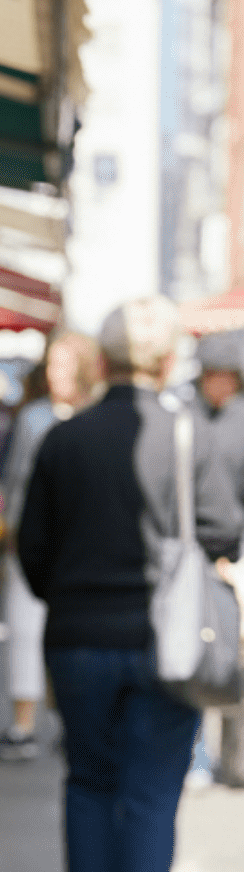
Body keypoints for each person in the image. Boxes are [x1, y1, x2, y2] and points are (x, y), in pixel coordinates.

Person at [18, 296, 241, 872]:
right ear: (169, 358)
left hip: (77, 635)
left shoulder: (65, 437)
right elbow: (223, 532)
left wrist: (71, 592)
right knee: (150, 793)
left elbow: (32, 549)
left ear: (102, 359)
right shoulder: (189, 435)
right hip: (164, 641)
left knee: (87, 782)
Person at [0, 332, 101, 762]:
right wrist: (9, 531)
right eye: (51, 366)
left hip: (81, 549)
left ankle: (72, 722)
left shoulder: (94, 418)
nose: (53, 375)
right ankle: (23, 724)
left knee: (74, 636)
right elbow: (15, 480)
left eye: (62, 366)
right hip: (34, 541)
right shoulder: (33, 418)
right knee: (24, 631)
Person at [192, 330, 244, 788]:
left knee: (233, 657)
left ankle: (235, 759)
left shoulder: (240, 421)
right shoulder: (184, 416)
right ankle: (196, 756)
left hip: (235, 555)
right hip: (191, 555)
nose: (223, 386)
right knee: (191, 651)